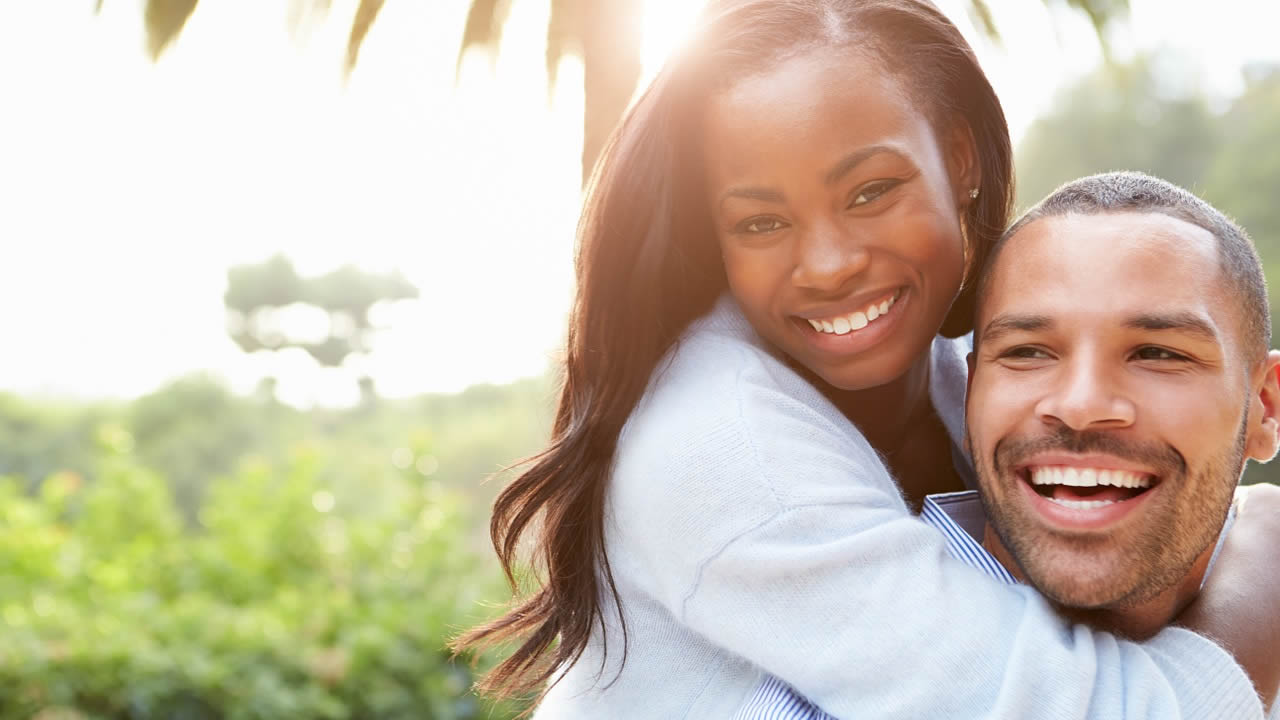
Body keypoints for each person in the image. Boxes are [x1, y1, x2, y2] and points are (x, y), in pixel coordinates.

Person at [455, 1, 1280, 717]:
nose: (828, 264)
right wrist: (1259, 580)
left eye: (869, 192)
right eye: (760, 224)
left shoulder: (974, 380)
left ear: (959, 160)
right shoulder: (722, 444)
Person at [744, 173, 1280, 718]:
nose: (1080, 405)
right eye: (1028, 352)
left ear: (1266, 407)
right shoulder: (826, 694)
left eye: (1158, 354)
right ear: (973, 390)